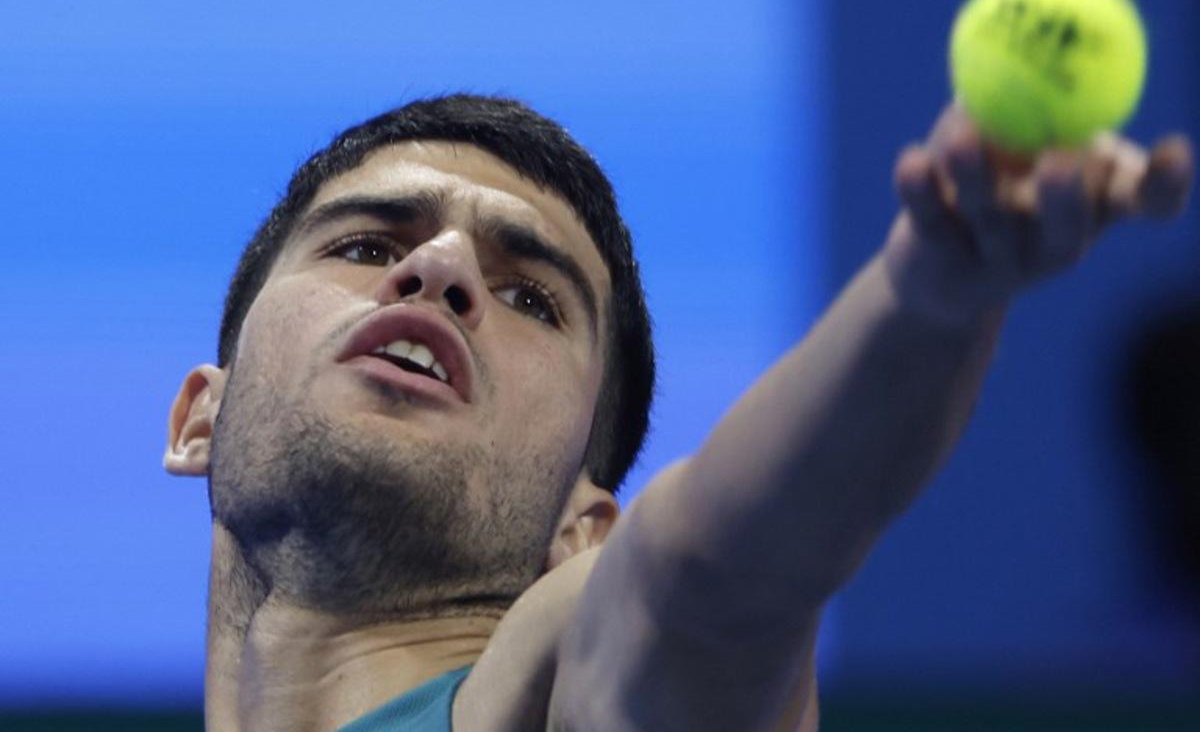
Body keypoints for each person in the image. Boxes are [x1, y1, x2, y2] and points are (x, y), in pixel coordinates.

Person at [164, 93, 1193, 731]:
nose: (437, 270)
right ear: (199, 419)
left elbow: (709, 575)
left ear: (586, 526)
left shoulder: (565, 682)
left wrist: (926, 295)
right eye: (366, 245)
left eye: (533, 297)